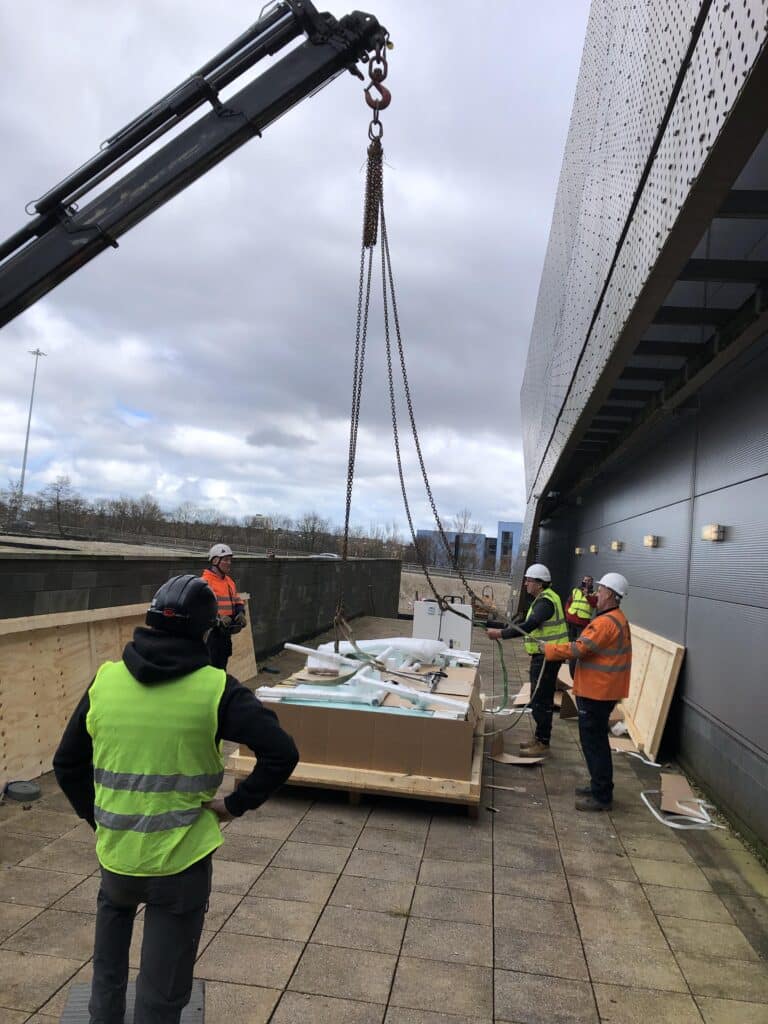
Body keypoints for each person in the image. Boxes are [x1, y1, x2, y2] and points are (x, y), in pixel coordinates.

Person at [53, 574, 299, 1024]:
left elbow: (67, 765)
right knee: (161, 993)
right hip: (180, 864)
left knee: (107, 973)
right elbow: (281, 752)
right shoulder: (216, 689)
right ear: (204, 633)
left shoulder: (105, 682)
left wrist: (103, 819)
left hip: (117, 859)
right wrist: (234, 804)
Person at [542, 572, 631, 812]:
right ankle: (598, 786)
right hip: (603, 691)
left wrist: (550, 650)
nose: (596, 595)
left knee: (594, 743)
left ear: (610, 595)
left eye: (601, 591)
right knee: (595, 741)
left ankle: (602, 795)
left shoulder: (604, 623)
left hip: (597, 693)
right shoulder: (617, 619)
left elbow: (580, 648)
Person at [487, 563, 568, 758]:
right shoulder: (544, 599)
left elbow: (529, 625)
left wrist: (500, 633)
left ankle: (542, 742)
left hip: (548, 657)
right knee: (540, 698)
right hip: (547, 655)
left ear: (539, 584)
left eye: (529, 581)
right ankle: (540, 738)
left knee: (540, 700)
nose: (525, 584)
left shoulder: (545, 603)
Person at [202, 543, 246, 670]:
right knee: (211, 670)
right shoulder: (205, 582)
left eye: (230, 560)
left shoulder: (229, 581)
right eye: (225, 560)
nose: (229, 563)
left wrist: (241, 613)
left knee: (222, 669)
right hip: (210, 637)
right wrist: (217, 619)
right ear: (215, 560)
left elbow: (237, 601)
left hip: (225, 635)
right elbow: (202, 609)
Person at [564, 574, 597, 678]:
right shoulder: (576, 590)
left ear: (592, 583)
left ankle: (576, 666)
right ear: (582, 581)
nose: (587, 582)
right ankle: (570, 661)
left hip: (582, 623)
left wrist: (587, 595)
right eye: (585, 580)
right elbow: (569, 602)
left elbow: (594, 604)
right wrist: (568, 612)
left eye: (589, 581)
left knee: (579, 647)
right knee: (571, 644)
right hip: (571, 620)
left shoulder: (594, 594)